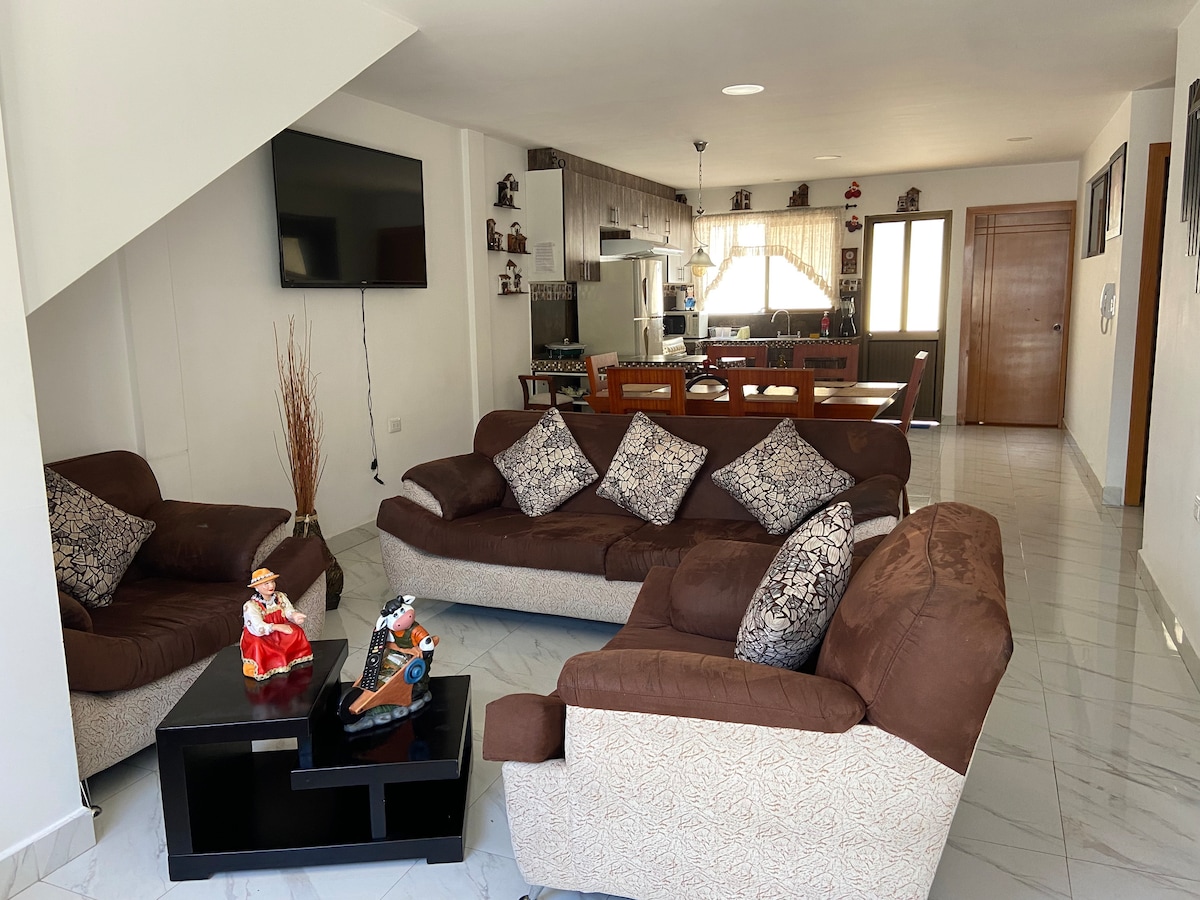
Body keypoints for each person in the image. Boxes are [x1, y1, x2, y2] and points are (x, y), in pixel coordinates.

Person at [241, 567, 313, 681]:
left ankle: (295, 658)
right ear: (256, 587)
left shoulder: (280, 597)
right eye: (266, 584)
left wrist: (294, 616)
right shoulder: (250, 606)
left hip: (280, 630)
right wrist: (276, 627)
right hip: (262, 635)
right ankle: (266, 666)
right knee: (258, 646)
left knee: (296, 632)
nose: (271, 586)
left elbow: (288, 610)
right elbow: (257, 626)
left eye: (272, 582)